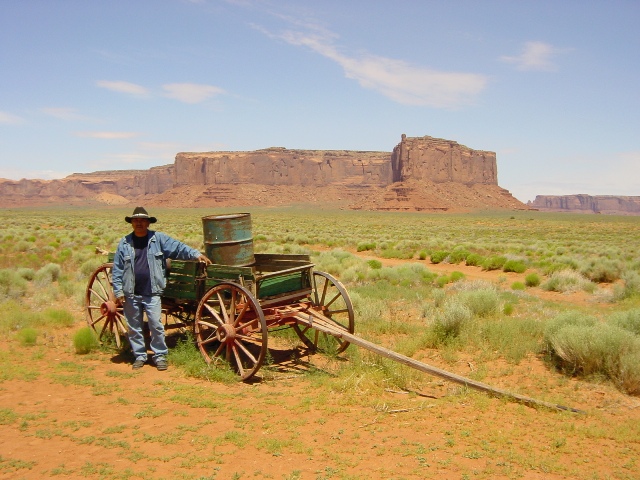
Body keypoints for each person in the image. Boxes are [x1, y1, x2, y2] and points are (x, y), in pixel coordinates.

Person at [111, 207, 211, 371]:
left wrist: (195, 254)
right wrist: (119, 292)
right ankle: (140, 356)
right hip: (132, 293)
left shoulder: (159, 239)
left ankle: (160, 357)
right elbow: (118, 270)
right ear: (131, 223)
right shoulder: (124, 243)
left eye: (142, 220)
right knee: (134, 327)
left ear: (148, 223)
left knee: (156, 325)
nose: (139, 223)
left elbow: (178, 247)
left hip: (152, 292)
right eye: (136, 220)